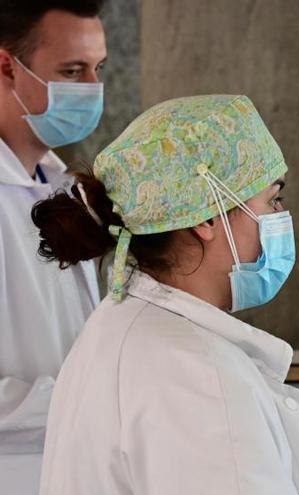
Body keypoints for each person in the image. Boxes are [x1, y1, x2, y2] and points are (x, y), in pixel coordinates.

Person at [31, 94, 299, 495]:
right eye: (272, 200)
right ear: (205, 219)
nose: (282, 218)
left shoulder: (122, 324)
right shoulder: (196, 374)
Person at [0, 1, 106, 492]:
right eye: (71, 71)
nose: (91, 89)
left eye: (97, 69)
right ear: (6, 66)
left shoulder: (64, 187)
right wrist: (99, 399)